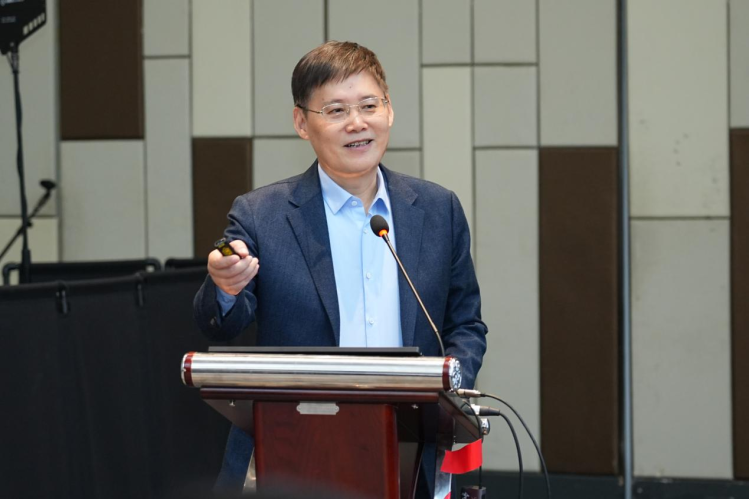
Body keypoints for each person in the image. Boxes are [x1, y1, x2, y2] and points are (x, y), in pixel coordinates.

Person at [193, 41, 488, 497]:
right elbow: (221, 322)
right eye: (335, 110)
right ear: (301, 123)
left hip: (409, 450)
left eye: (369, 105)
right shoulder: (261, 215)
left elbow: (465, 324)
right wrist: (226, 286)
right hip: (294, 452)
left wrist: (448, 390)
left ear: (389, 110)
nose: (357, 123)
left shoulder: (437, 210)